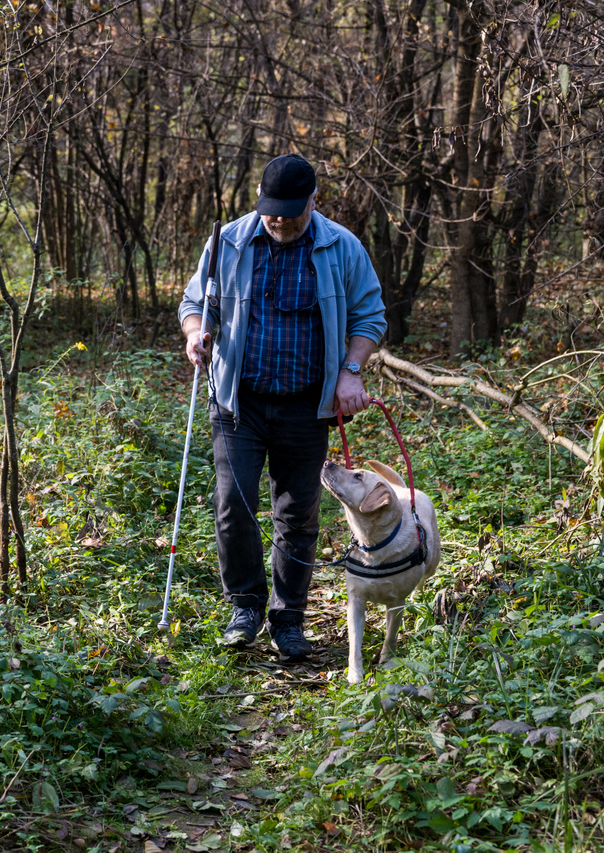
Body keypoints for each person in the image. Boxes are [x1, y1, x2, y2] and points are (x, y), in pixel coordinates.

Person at [178, 153, 387, 662]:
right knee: (233, 505)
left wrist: (350, 371)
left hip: (305, 405)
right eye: (272, 211)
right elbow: (192, 305)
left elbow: (370, 316)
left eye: (291, 212)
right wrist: (195, 336)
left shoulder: (342, 247)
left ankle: (288, 619)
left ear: (314, 201)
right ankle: (244, 607)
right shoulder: (226, 241)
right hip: (238, 401)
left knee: (297, 515)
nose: (279, 221)